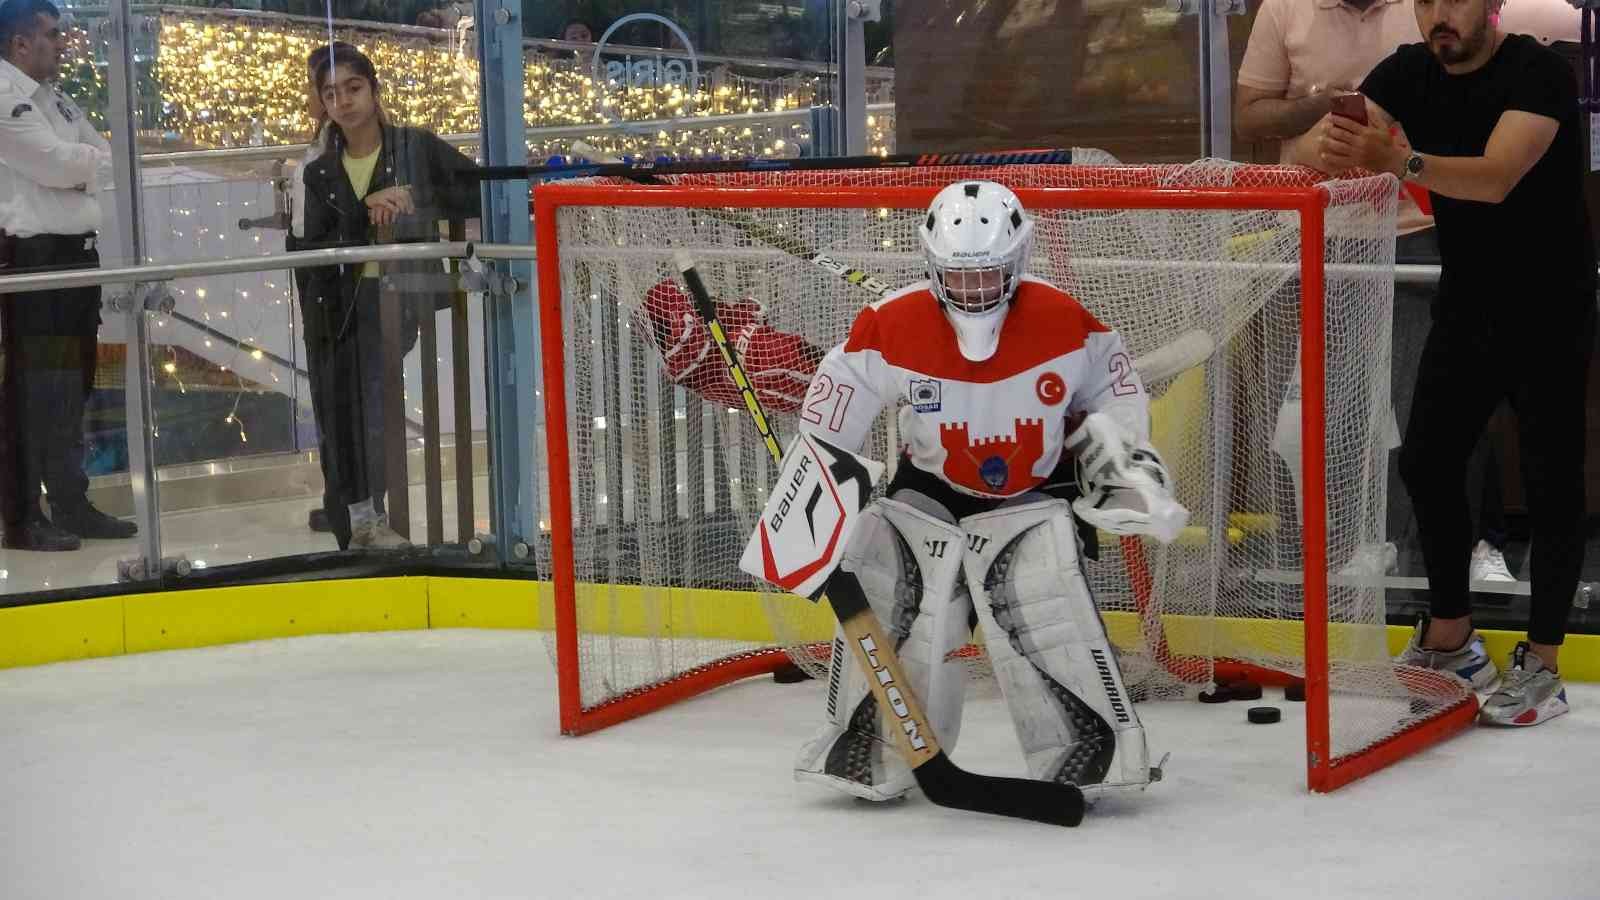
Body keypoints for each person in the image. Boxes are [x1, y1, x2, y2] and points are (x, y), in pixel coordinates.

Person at [788, 181, 1183, 802]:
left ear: (1019, 260)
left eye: (989, 274)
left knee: (1044, 608)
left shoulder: (1065, 320)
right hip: (930, 486)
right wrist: (815, 499)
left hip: (1033, 489)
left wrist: (1122, 464)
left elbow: (1116, 391)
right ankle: (876, 744)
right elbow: (832, 413)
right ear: (931, 261)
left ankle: (1089, 748)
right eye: (958, 275)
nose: (973, 290)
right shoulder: (890, 323)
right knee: (899, 600)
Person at [1318, 0, 1595, 725]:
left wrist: (1397, 159)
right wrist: (1334, 137)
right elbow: (1345, 132)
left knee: (1549, 477)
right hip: (1470, 299)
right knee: (1428, 461)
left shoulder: (1538, 72)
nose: (1440, 13)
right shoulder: (1410, 69)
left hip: (1550, 304)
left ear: (1491, 4)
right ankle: (1452, 639)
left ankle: (1542, 662)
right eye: (1427, 0)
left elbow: (1497, 175)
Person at [299, 45, 480, 549]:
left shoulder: (413, 147)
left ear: (374, 90)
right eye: (331, 93)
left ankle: (365, 514)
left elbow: (474, 191)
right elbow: (317, 244)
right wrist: (365, 209)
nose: (344, 101)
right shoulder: (319, 170)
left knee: (370, 405)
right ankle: (358, 512)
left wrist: (413, 201)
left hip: (394, 295)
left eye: (354, 88)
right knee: (345, 407)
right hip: (337, 305)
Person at [0, 0, 136, 552]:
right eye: (53, 35)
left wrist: (74, 168)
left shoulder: (55, 97)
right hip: (35, 260)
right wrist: (74, 170)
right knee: (33, 393)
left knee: (71, 388)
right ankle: (21, 516)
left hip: (75, 257)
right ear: (20, 44)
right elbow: (55, 164)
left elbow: (101, 155)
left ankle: (70, 502)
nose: (63, 43)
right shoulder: (6, 98)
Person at [289, 40, 356, 536]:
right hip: (313, 272)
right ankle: (340, 495)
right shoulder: (322, 143)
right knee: (328, 394)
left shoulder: (344, 147)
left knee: (339, 395)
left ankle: (350, 501)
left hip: (333, 284)